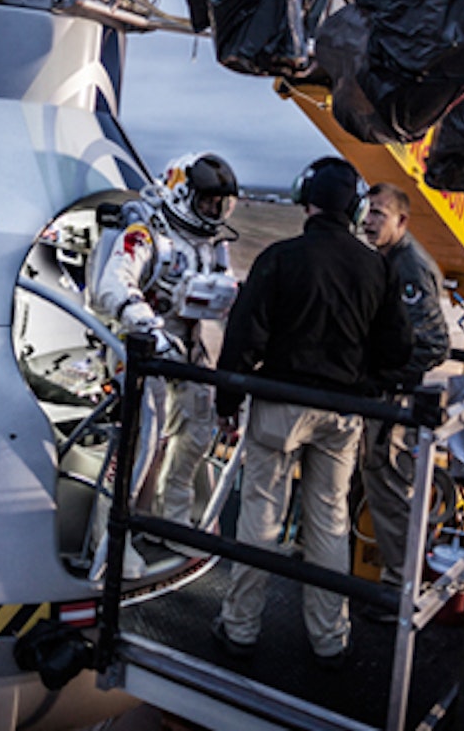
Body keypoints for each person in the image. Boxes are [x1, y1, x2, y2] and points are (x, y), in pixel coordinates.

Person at [210, 157, 413, 669]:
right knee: (330, 519)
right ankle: (330, 639)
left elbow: (244, 337)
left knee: (261, 515)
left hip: (280, 406)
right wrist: (365, 380)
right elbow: (398, 350)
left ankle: (239, 628)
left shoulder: (280, 258)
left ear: (307, 199)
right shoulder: (377, 267)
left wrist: (227, 401)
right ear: (354, 206)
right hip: (342, 413)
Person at [88, 152, 240, 574]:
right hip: (140, 348)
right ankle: (111, 536)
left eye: (222, 205)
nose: (216, 212)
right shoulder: (146, 233)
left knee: (195, 434)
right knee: (140, 442)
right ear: (182, 193)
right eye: (210, 202)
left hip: (187, 349)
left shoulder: (213, 246)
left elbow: (223, 294)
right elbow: (111, 286)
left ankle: (169, 519)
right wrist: (148, 327)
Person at [358, 182, 451, 603]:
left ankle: (399, 590)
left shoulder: (408, 266)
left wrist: (389, 377)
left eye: (379, 213)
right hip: (379, 396)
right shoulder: (383, 260)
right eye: (368, 211)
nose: (369, 220)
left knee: (392, 494)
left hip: (394, 402)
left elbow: (434, 343)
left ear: (401, 220)